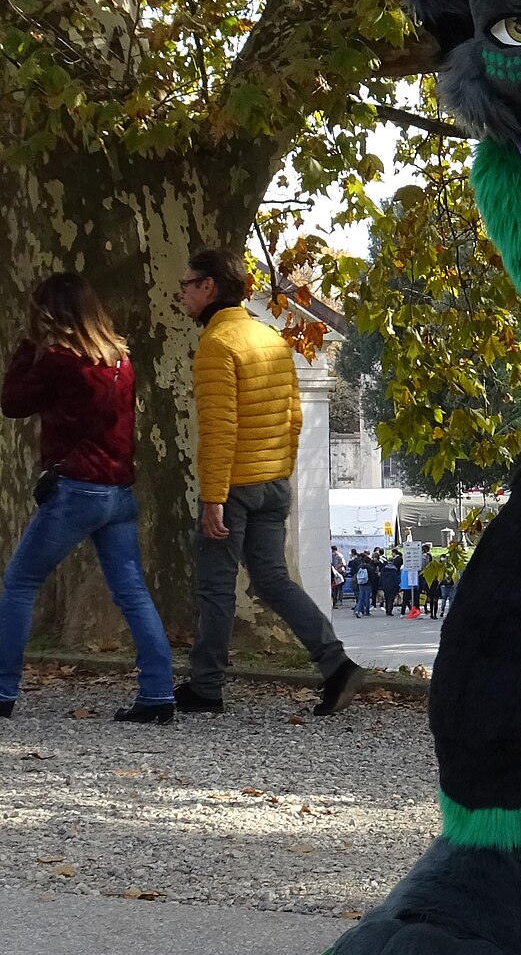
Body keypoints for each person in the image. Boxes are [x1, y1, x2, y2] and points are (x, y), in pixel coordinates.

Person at [176, 247, 364, 716]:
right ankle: (336, 663)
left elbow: (219, 430)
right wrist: (278, 471)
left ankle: (206, 686)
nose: (180, 293)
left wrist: (214, 498)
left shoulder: (217, 347)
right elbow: (294, 418)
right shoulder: (271, 339)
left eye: (186, 284)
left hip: (235, 484)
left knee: (217, 587)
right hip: (274, 482)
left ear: (208, 287)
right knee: (274, 580)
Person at [0, 274, 177, 725]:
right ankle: (158, 693)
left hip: (75, 490)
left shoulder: (59, 362)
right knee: (132, 591)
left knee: (20, 583)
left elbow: (13, 401)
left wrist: (24, 349)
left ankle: (3, 689)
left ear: (50, 314)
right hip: (118, 492)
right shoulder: (122, 364)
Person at [348, 548, 372, 617]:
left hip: (360, 583)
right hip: (368, 583)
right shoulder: (369, 568)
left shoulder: (359, 567)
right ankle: (367, 612)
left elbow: (354, 572)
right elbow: (372, 576)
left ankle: (358, 610)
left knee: (361, 598)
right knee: (367, 598)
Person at [380, 547, 402, 617]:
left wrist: (381, 585)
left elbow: (381, 578)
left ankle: (387, 610)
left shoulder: (384, 569)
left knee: (386, 598)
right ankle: (389, 611)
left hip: (385, 586)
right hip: (392, 586)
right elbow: (396, 579)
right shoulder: (394, 570)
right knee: (391, 599)